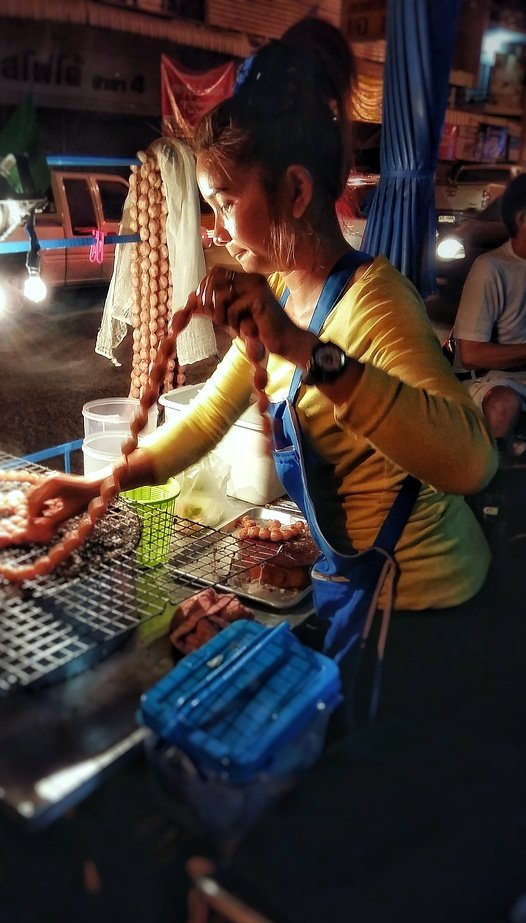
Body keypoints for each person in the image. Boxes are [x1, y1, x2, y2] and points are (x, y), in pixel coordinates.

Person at [28, 19, 499, 723]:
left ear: (296, 191)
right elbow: (206, 422)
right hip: (357, 584)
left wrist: (305, 350)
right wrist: (97, 486)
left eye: (222, 201)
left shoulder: (376, 301)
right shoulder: (279, 292)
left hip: (426, 604)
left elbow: (470, 465)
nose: (214, 226)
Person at [453, 173, 526, 459]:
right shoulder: (491, 268)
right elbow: (471, 354)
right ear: (522, 220)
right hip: (492, 380)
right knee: (502, 405)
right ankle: (487, 488)